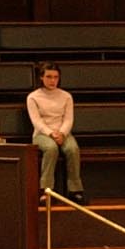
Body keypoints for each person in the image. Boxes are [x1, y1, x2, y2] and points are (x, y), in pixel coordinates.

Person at [27, 62, 85, 204]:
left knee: (72, 149)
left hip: (62, 132)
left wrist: (62, 133)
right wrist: (51, 133)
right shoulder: (33, 97)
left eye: (55, 77)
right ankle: (46, 190)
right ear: (41, 77)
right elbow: (37, 122)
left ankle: (75, 190)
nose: (52, 80)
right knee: (51, 148)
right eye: (49, 77)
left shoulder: (66, 96)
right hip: (42, 134)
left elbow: (68, 119)